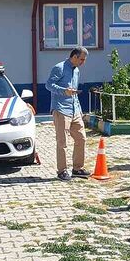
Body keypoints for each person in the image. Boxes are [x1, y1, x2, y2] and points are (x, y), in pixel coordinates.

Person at [46, 47, 89, 181]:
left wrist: (79, 110)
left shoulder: (76, 70)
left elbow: (74, 92)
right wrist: (64, 91)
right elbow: (48, 85)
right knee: (62, 142)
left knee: (81, 138)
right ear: (74, 57)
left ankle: (77, 168)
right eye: (82, 59)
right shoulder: (59, 68)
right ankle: (62, 171)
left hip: (75, 110)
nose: (83, 62)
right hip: (61, 109)